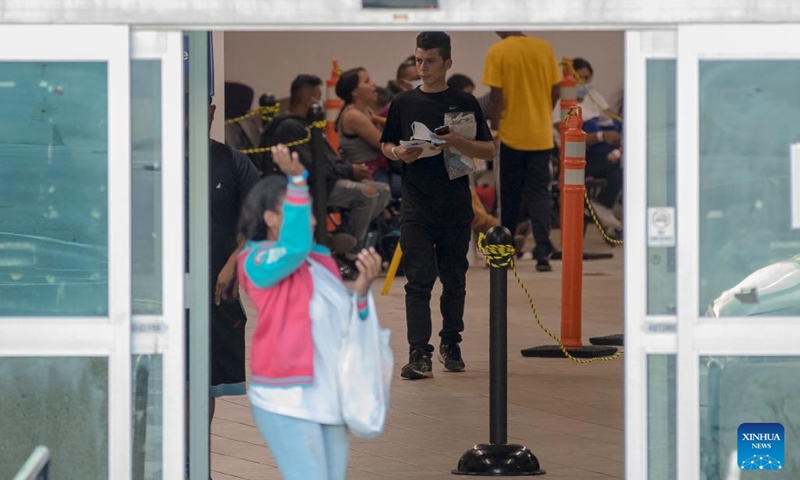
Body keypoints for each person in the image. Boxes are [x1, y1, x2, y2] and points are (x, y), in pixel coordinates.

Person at [237, 145, 383, 480]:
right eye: (296, 207)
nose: (312, 218)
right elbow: (293, 249)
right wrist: (298, 181)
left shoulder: (319, 259)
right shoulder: (255, 260)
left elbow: (349, 321)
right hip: (284, 394)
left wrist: (361, 293)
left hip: (329, 391)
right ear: (271, 218)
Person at [380, 31, 495, 379]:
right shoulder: (403, 102)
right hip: (416, 204)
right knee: (418, 281)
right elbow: (386, 145)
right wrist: (399, 152)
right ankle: (419, 353)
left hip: (455, 202)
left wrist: (457, 141)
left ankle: (451, 342)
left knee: (454, 279)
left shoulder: (465, 102)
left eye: (430, 61)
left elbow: (488, 151)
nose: (423, 67)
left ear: (447, 63)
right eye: (418, 60)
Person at [185, 95, 261, 425]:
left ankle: (195, 463)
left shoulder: (233, 162)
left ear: (212, 112)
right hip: (165, 291)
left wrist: (233, 263)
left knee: (205, 382)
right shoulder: (153, 160)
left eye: (200, 107)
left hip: (213, 291)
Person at [270, 74, 391, 258]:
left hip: (330, 179)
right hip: (315, 185)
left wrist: (351, 169)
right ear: (307, 99)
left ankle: (341, 237)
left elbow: (330, 158)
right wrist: (349, 171)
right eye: (318, 99)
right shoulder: (290, 128)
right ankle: (351, 250)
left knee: (383, 190)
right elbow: (311, 167)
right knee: (367, 194)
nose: (321, 104)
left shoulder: (309, 125)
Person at [483, 32, 561, 272]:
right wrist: (541, 114)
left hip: (511, 136)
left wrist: (495, 126)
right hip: (541, 136)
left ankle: (504, 256)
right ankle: (543, 255)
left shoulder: (498, 51)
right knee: (540, 196)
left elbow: (497, 96)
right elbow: (556, 89)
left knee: (509, 197)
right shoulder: (544, 47)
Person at [335, 67, 393, 188]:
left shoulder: (366, 110)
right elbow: (383, 144)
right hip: (369, 173)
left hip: (381, 168)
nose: (373, 85)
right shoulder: (354, 115)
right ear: (355, 92)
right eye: (367, 81)